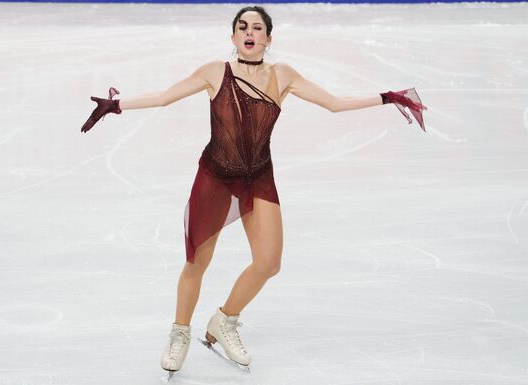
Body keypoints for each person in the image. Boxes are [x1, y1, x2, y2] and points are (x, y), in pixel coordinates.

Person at [80, 5, 427, 375]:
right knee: (198, 261)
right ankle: (180, 332)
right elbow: (166, 96)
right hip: (215, 175)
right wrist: (116, 105)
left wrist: (389, 97)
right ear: (233, 37)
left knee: (269, 263)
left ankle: (225, 320)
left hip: (258, 175)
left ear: (268, 38)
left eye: (257, 27)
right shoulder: (216, 72)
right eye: (242, 27)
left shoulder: (284, 76)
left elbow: (336, 104)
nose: (249, 32)